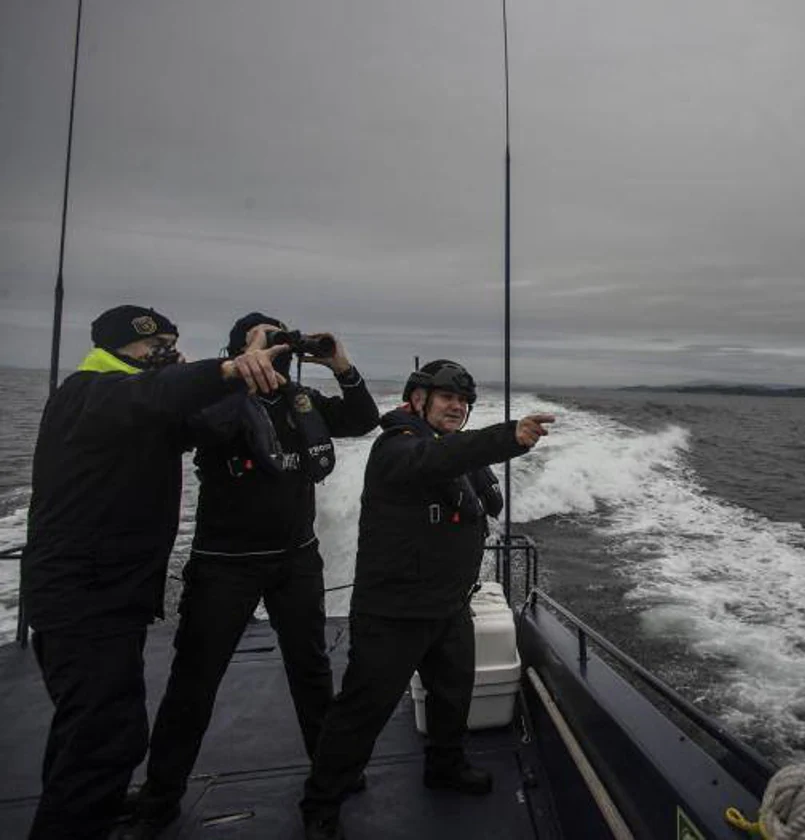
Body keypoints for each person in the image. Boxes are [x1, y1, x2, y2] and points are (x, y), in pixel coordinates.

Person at [21, 304, 288, 840]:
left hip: (109, 597)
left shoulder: (141, 404)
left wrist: (241, 378)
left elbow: (201, 421)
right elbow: (157, 395)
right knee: (105, 737)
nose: (166, 356)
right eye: (155, 348)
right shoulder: (90, 393)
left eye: (171, 346)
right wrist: (231, 366)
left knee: (86, 734)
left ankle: (89, 808)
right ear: (123, 348)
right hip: (83, 600)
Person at [121, 313, 380, 838]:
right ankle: (161, 794)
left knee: (311, 672)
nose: (275, 351)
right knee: (195, 681)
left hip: (296, 560)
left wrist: (339, 363)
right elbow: (198, 426)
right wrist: (238, 372)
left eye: (279, 342)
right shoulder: (216, 401)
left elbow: (362, 419)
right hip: (225, 566)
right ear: (237, 348)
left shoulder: (296, 400)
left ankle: (332, 775)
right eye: (263, 341)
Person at [299, 359, 554, 840]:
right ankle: (321, 802)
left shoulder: (452, 451)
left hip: (449, 604)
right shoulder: (396, 448)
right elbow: (431, 461)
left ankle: (445, 766)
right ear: (418, 400)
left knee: (452, 697)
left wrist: (480, 469)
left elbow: (485, 498)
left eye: (463, 401)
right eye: (446, 398)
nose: (456, 407)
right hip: (393, 611)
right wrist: (507, 438)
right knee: (362, 710)